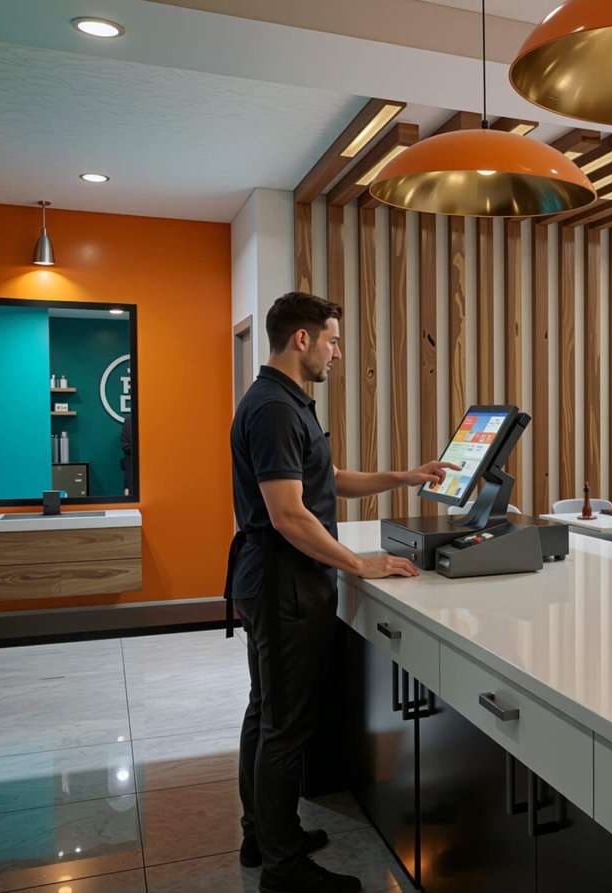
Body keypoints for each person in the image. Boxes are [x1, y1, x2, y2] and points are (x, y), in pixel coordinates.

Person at [228, 291, 458, 893]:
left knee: (267, 713)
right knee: (283, 726)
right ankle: (283, 870)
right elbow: (288, 514)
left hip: (275, 579)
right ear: (301, 340)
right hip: (284, 585)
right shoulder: (276, 409)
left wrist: (403, 476)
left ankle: (265, 835)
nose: (336, 353)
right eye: (331, 340)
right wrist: (360, 563)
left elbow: (324, 479)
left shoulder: (281, 402)